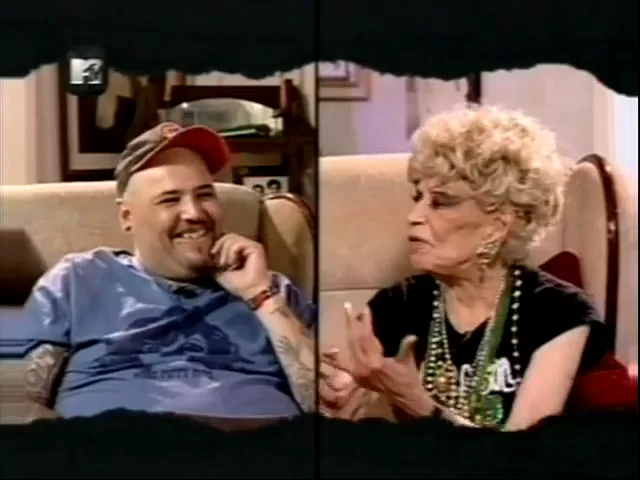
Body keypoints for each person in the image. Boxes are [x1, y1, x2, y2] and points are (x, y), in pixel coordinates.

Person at [320, 105, 608, 431]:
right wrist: (344, 393)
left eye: (441, 202)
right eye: (417, 198)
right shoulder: (397, 304)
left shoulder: (560, 312)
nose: (414, 216)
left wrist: (420, 404)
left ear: (498, 225)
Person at [21, 122, 317, 422]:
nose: (195, 213)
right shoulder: (78, 279)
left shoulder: (270, 288)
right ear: (127, 216)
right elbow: (21, 398)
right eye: (170, 200)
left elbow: (329, 402)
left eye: (205, 195)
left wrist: (260, 295)